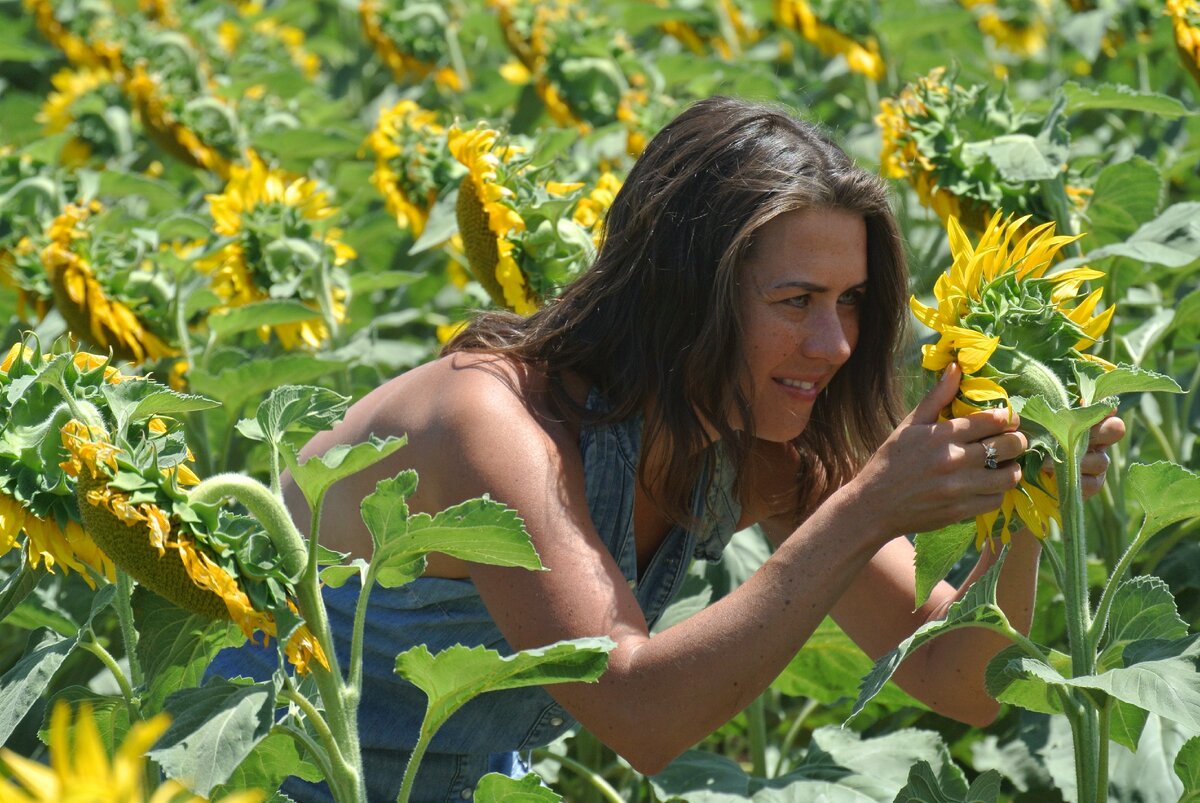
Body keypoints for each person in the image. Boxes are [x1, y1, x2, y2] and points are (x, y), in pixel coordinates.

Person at [209, 96, 1124, 801]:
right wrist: (869, 504)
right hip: (253, 773)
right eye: (797, 301)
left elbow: (959, 680)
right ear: (685, 295)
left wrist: (1025, 497)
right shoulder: (487, 424)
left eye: (850, 302)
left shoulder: (752, 438)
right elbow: (641, 713)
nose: (837, 345)